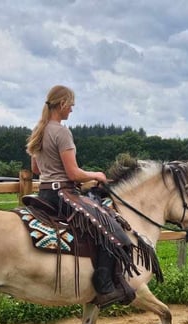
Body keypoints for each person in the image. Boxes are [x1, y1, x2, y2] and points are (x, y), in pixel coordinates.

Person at [26, 85, 136, 308]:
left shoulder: (39, 130)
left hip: (44, 193)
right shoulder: (61, 131)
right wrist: (97, 175)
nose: (72, 110)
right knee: (112, 230)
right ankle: (104, 286)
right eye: (71, 105)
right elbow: (73, 173)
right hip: (63, 195)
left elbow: (36, 170)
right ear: (63, 104)